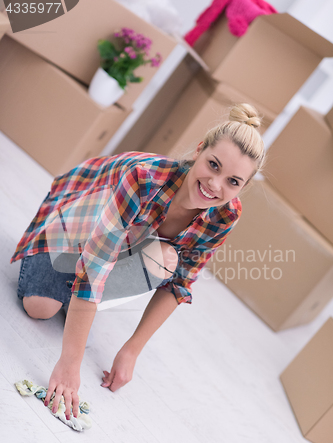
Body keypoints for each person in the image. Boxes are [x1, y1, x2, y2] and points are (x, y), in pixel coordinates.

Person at [10, 103, 266, 420]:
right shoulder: (144, 178)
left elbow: (180, 283)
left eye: (233, 181)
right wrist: (70, 362)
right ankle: (70, 296)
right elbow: (95, 267)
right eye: (213, 165)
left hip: (115, 242)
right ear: (199, 150)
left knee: (167, 260)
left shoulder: (227, 212)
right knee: (40, 308)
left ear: (244, 186)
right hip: (71, 225)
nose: (216, 185)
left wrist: (131, 351)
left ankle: (75, 301)